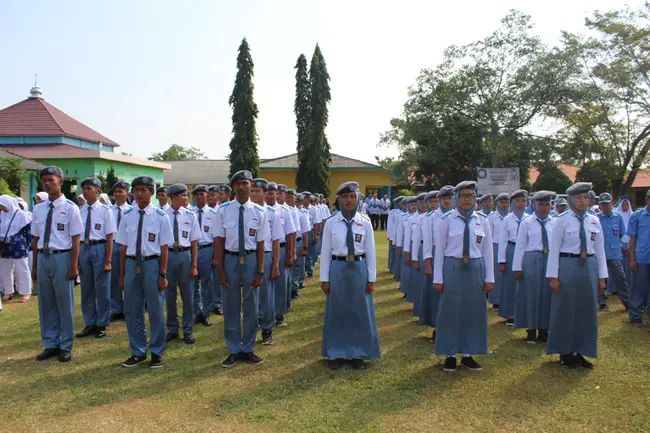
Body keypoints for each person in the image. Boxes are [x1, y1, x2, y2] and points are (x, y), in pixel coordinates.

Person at [434, 181, 494, 372]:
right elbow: (440, 251)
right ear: (456, 199)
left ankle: (469, 354)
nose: (467, 199)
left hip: (475, 268)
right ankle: (450, 355)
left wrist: (489, 277)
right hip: (453, 267)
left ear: (475, 198)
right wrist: (438, 277)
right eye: (463, 196)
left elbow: (487, 250)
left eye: (470, 195)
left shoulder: (482, 220)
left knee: (473, 311)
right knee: (451, 311)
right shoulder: (446, 220)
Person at [212, 170, 270, 368]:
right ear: (233, 187)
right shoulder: (223, 210)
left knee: (251, 307)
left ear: (251, 185)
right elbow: (218, 241)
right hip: (230, 260)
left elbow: (262, 243)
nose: (242, 187)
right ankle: (234, 350)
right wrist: (220, 270)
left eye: (245, 183)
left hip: (252, 259)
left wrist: (260, 270)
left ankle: (248, 349)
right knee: (231, 306)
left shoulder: (260, 212)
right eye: (238, 184)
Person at [546, 182, 607, 368]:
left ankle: (582, 350)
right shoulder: (561, 221)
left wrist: (602, 276)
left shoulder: (594, 220)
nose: (582, 201)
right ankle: (565, 351)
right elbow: (554, 250)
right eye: (579, 198)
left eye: (585, 197)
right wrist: (553, 277)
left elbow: (599, 250)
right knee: (566, 309)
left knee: (585, 310)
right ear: (571, 199)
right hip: (567, 265)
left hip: (588, 266)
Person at [320, 181, 380, 370]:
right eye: (345, 197)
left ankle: (358, 353)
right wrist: (324, 278)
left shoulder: (365, 222)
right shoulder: (331, 223)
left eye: (352, 197)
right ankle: (336, 353)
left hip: (359, 269)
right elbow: (326, 252)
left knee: (358, 311)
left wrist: (372, 278)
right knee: (338, 311)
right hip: (338, 268)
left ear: (357, 199)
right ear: (338, 199)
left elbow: (370, 252)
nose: (349, 200)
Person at [117, 176, 172, 368]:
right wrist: (122, 274)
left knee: (156, 310)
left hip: (152, 264)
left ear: (151, 192)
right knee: (133, 310)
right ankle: (138, 351)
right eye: (136, 190)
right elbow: (123, 247)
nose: (139, 193)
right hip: (132, 264)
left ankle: (157, 352)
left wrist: (163, 273)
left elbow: (164, 247)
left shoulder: (161, 216)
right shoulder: (127, 215)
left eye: (143, 190)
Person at [32, 166, 83, 363]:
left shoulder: (70, 208)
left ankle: (65, 345)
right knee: (46, 303)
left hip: (62, 257)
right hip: (44, 257)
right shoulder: (38, 208)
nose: (47, 183)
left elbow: (76, 239)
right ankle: (50, 343)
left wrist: (74, 265)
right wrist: (35, 264)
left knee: (64, 303)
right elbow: (35, 239)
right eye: (44, 180)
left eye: (51, 180)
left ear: (61, 181)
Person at [512, 190, 555, 344]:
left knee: (547, 295)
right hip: (531, 259)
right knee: (531, 295)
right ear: (534, 205)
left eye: (546, 205)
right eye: (541, 204)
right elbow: (520, 246)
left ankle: (544, 330)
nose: (544, 208)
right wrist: (518, 268)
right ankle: (530, 330)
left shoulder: (554, 222)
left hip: (548, 259)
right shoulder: (527, 222)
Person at [76, 177, 116, 339]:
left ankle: (102, 323)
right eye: (84, 188)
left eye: (89, 188)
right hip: (84, 247)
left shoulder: (106, 211)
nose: (85, 191)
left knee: (102, 288)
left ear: (98, 190)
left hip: (100, 247)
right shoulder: (80, 210)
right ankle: (90, 322)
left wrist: (107, 260)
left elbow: (110, 237)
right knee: (87, 288)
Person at [164, 184, 200, 345]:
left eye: (187, 195)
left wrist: (194, 265)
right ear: (173, 197)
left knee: (188, 296)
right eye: (183, 195)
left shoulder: (190, 215)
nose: (186, 198)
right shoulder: (163, 215)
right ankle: (172, 329)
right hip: (168, 255)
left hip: (185, 255)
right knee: (169, 295)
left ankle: (188, 330)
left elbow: (194, 242)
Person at [250, 178, 281, 345]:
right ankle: (251, 328)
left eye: (257, 191)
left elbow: (276, 240)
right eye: (252, 190)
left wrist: (275, 265)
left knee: (266, 295)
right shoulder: (246, 211)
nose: (254, 194)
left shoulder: (272, 213)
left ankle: (267, 329)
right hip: (250, 256)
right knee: (250, 294)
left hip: (267, 256)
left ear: (264, 193)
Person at [266, 182, 296, 330]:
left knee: (280, 284)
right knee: (264, 282)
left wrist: (291, 254)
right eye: (267, 192)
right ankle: (264, 314)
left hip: (282, 249)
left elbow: (290, 234)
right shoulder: (259, 210)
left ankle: (279, 315)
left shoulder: (285, 211)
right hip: (264, 250)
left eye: (273, 193)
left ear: (277, 194)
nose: (270, 195)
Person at [498, 190, 528, 326]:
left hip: (526, 251)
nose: (521, 204)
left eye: (523, 201)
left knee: (524, 283)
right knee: (510, 283)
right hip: (511, 249)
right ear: (512, 203)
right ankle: (510, 314)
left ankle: (523, 313)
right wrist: (502, 261)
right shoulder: (507, 219)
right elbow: (503, 241)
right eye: (518, 201)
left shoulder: (529, 218)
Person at [597, 193, 629, 311]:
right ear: (600, 205)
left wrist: (622, 245)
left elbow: (623, 234)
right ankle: (602, 302)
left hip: (615, 254)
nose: (605, 206)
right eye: (603, 204)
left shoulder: (618, 217)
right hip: (601, 254)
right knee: (601, 279)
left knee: (620, 278)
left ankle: (627, 302)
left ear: (612, 203)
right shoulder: (596, 218)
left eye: (607, 203)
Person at [0, 196, 33, 307]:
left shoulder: (22, 215)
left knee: (22, 269)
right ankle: (8, 291)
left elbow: (29, 232)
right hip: (4, 246)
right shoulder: (2, 215)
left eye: (2, 205)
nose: (1, 208)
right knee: (5, 269)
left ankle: (26, 292)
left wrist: (29, 245)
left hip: (19, 246)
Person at [191, 185, 216, 327]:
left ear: (207, 195)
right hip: (193, 249)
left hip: (207, 249)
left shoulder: (213, 214)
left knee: (207, 283)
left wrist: (215, 257)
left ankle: (206, 313)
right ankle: (196, 312)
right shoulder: (190, 213)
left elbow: (216, 237)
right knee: (194, 283)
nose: (199, 197)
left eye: (202, 194)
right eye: (197, 195)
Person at [420, 189, 443, 341]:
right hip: (435, 254)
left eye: (437, 201)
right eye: (432, 201)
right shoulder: (429, 218)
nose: (435, 204)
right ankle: (436, 326)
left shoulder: (455, 216)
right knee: (436, 293)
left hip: (452, 257)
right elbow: (427, 242)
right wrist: (428, 262)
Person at [109, 181, 132, 322]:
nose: (118, 194)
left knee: (128, 277)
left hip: (128, 246)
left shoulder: (131, 210)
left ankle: (129, 307)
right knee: (114, 278)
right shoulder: (107, 210)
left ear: (127, 193)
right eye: (116, 191)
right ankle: (117, 308)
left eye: (121, 191)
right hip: (113, 245)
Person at [627, 189, 650, 326]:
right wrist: (632, 259)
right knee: (638, 288)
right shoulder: (637, 216)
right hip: (641, 257)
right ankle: (635, 315)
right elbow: (632, 238)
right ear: (647, 199)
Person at [406, 193, 427, 315]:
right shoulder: (412, 219)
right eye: (421, 203)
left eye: (425, 202)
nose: (423, 205)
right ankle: (417, 304)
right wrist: (409, 255)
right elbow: (409, 238)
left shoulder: (436, 217)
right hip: (418, 248)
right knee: (419, 280)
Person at [487, 193, 510, 311]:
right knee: (497, 274)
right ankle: (495, 300)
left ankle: (506, 299)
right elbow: (489, 234)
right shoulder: (492, 217)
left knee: (507, 274)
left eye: (507, 202)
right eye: (502, 202)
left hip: (507, 246)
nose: (505, 205)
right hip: (495, 246)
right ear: (497, 204)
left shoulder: (511, 216)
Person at [397, 197, 417, 300]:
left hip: (418, 245)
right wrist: (399, 246)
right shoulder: (404, 217)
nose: (414, 207)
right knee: (407, 270)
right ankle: (406, 290)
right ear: (407, 206)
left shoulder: (422, 217)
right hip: (407, 245)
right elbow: (400, 233)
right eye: (411, 205)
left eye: (415, 204)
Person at [614, 195, 633, 289]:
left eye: (627, 204)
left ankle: (627, 286)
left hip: (630, 244)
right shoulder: (616, 215)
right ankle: (616, 288)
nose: (625, 206)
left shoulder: (632, 215)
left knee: (628, 266)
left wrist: (629, 245)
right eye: (623, 204)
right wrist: (621, 246)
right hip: (618, 244)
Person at [302, 192, 320, 278]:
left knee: (309, 253)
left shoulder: (313, 209)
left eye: (304, 198)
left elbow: (316, 223)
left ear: (308, 199)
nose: (302, 200)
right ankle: (302, 271)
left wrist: (316, 235)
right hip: (300, 232)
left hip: (309, 232)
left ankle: (309, 271)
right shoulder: (300, 208)